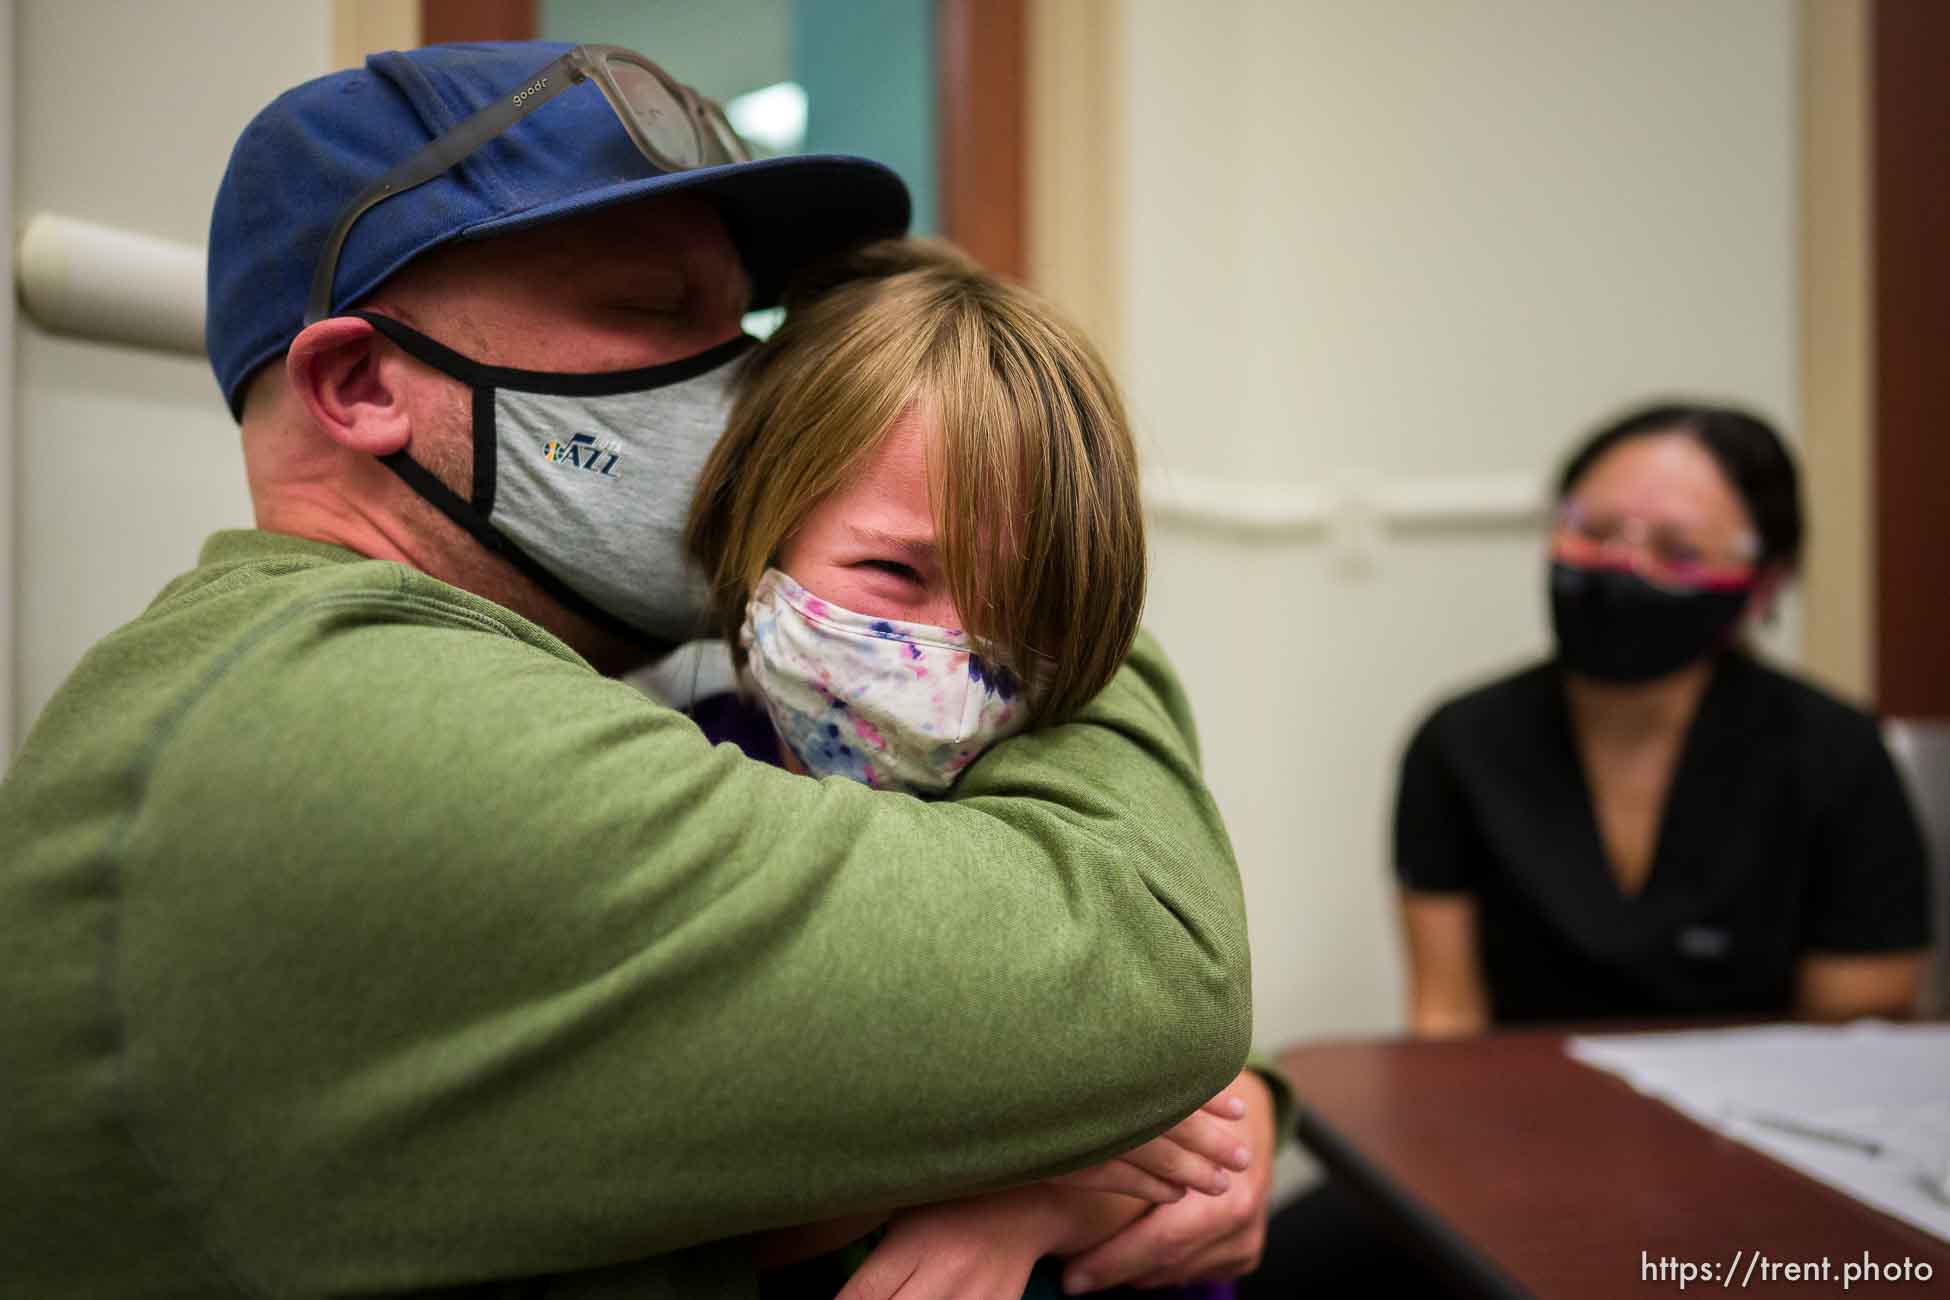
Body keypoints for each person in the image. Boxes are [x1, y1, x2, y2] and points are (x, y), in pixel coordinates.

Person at [0, 43, 1265, 1298]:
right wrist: (1042, 555)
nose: (746, 390)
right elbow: (1139, 963)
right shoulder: (360, 727)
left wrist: (1212, 1120)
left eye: (746, 331)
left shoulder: (498, 670)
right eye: (657, 311)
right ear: (360, 380)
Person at [680, 238, 1285, 1298]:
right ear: (752, 526)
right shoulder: (676, 783)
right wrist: (1050, 1162)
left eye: (1022, 601)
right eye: (895, 571)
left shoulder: (1073, 781)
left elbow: (1203, 1114)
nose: (956, 657)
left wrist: (1055, 1196)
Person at [1395, 402, 1932, 1032]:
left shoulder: (1834, 753)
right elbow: (1445, 1015)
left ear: (1765, 582)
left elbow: (1859, 1029)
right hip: (1527, 1114)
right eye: (1594, 533)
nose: (1623, 567)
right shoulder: (1462, 742)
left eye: (1676, 550)